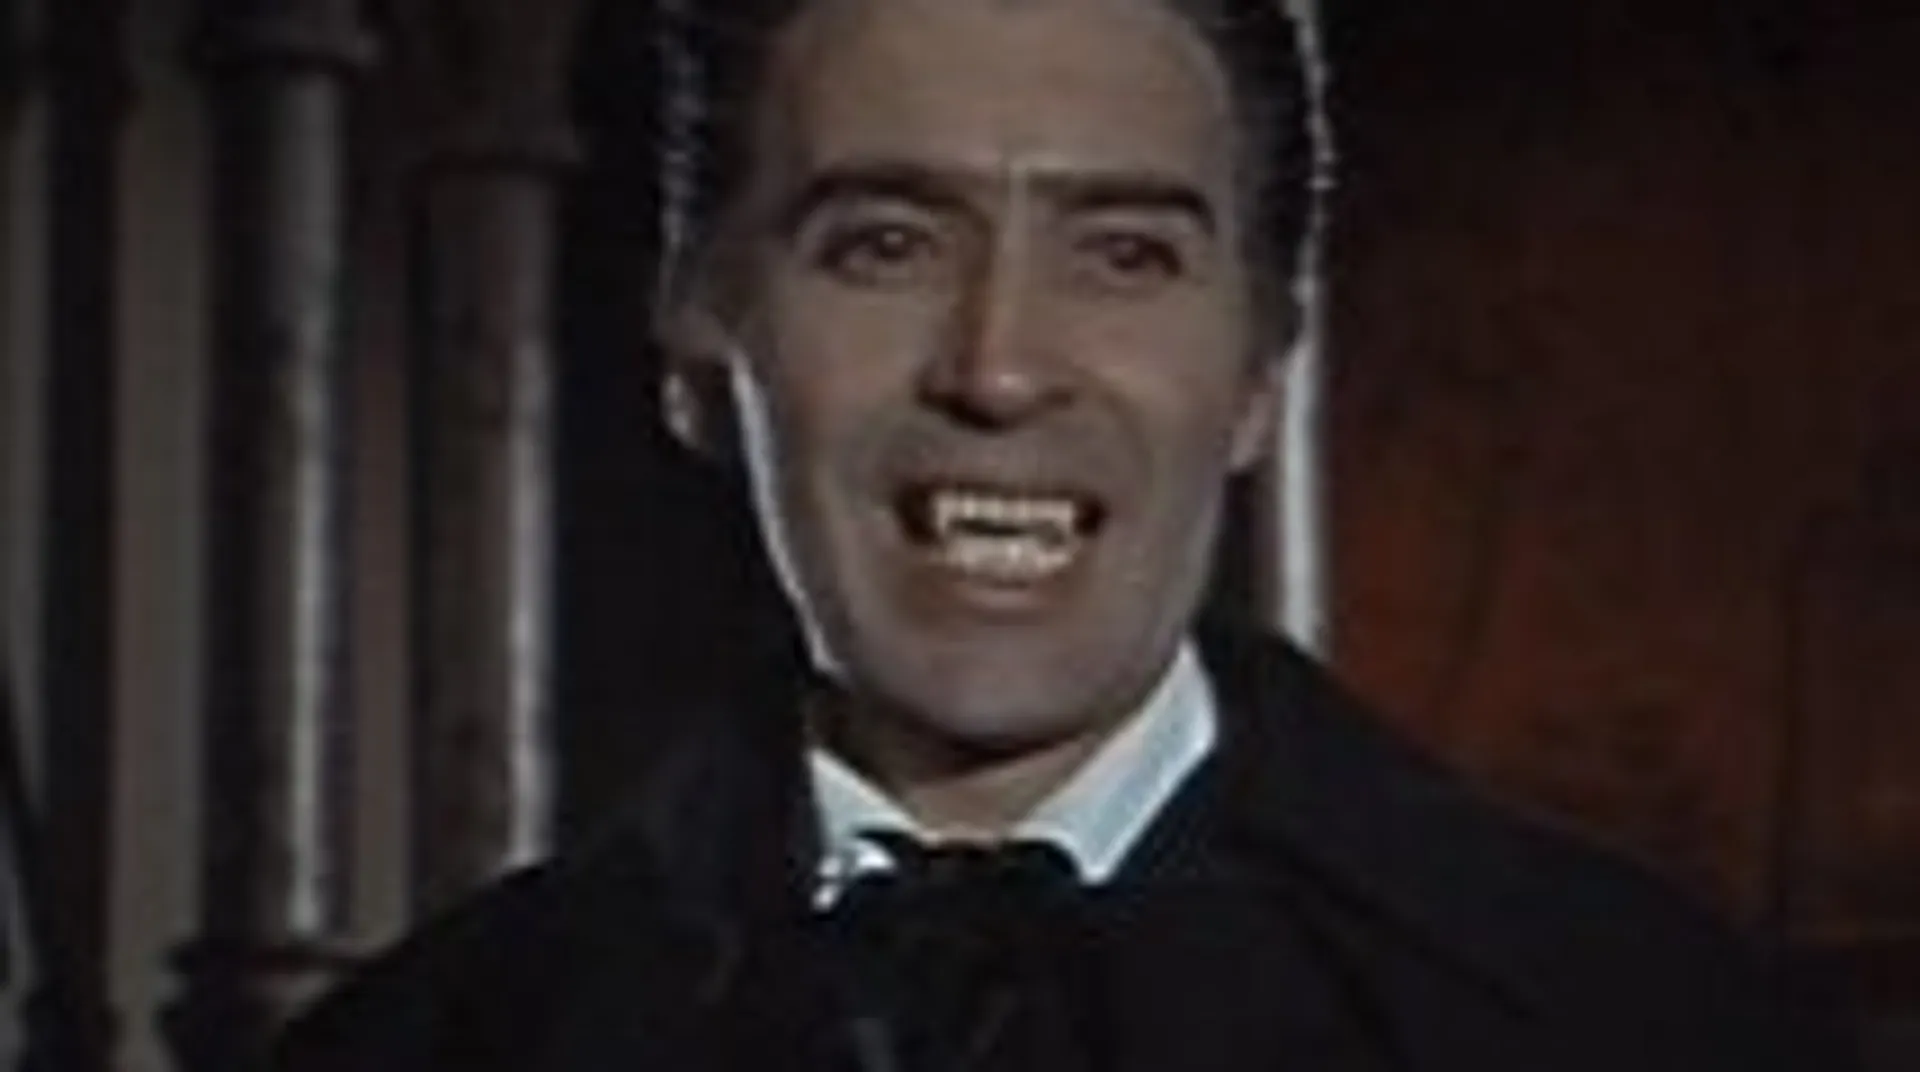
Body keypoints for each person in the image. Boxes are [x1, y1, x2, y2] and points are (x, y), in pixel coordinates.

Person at [274, 0, 1853, 1069]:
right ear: (701, 349)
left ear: (1259, 372)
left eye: (1124, 254)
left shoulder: (1642, 1022)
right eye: (886, 243)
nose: (1000, 368)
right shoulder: (423, 1046)